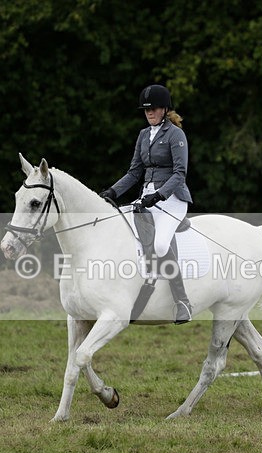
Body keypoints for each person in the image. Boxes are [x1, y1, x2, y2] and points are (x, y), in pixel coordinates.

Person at [100, 84, 193, 324]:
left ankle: (182, 301)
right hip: (147, 197)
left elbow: (180, 173)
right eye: (146, 110)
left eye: (154, 109)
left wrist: (160, 194)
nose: (149, 113)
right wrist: (113, 190)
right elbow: (134, 173)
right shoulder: (143, 135)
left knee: (161, 245)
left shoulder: (175, 135)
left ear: (164, 109)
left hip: (172, 199)